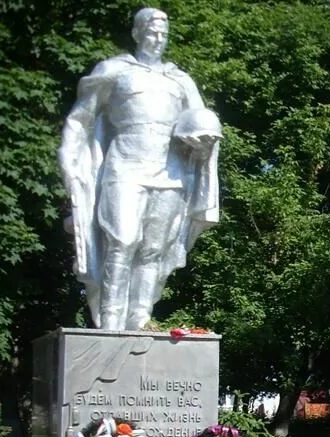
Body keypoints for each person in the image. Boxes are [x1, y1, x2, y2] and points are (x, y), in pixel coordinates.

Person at [59, 7, 221, 331]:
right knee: (122, 241)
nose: (157, 39)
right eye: (151, 32)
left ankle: (140, 318)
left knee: (153, 251)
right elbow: (80, 120)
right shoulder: (114, 71)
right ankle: (110, 324)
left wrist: (204, 144)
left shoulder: (180, 80)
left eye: (163, 34)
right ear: (137, 33)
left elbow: (201, 123)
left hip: (171, 173)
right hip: (125, 167)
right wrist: (68, 157)